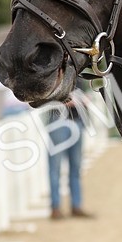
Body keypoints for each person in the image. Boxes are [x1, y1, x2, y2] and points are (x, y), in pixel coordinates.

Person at [45, 87, 95, 220]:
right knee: (55, 167)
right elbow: (45, 97)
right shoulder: (51, 69)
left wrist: (83, 99)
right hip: (58, 120)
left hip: (77, 119)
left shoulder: (77, 71)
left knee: (76, 166)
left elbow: (84, 93)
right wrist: (67, 102)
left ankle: (76, 206)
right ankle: (55, 207)